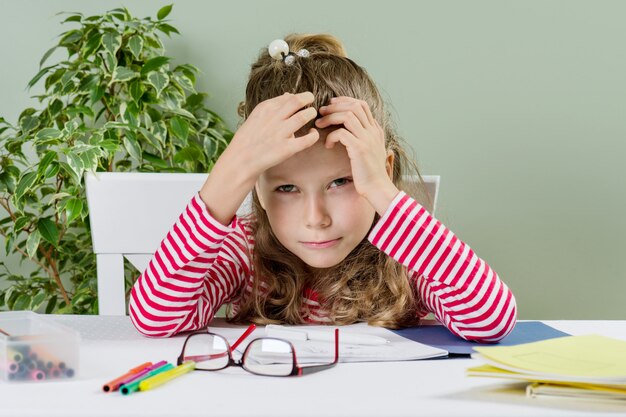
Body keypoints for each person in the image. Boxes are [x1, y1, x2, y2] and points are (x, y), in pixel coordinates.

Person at [129, 34, 517, 342]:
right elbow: (155, 318)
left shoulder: (406, 252)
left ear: (379, 173)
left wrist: (382, 192)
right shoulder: (245, 254)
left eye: (341, 182)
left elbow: (491, 319)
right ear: (256, 188)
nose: (316, 219)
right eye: (285, 189)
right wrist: (231, 173)